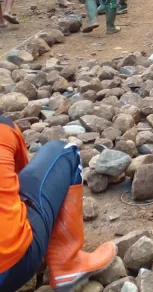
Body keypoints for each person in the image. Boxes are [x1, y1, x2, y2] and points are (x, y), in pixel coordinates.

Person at [0, 116, 117, 291]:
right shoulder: (4, 128)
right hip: (11, 268)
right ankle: (68, 264)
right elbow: (19, 183)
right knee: (64, 151)